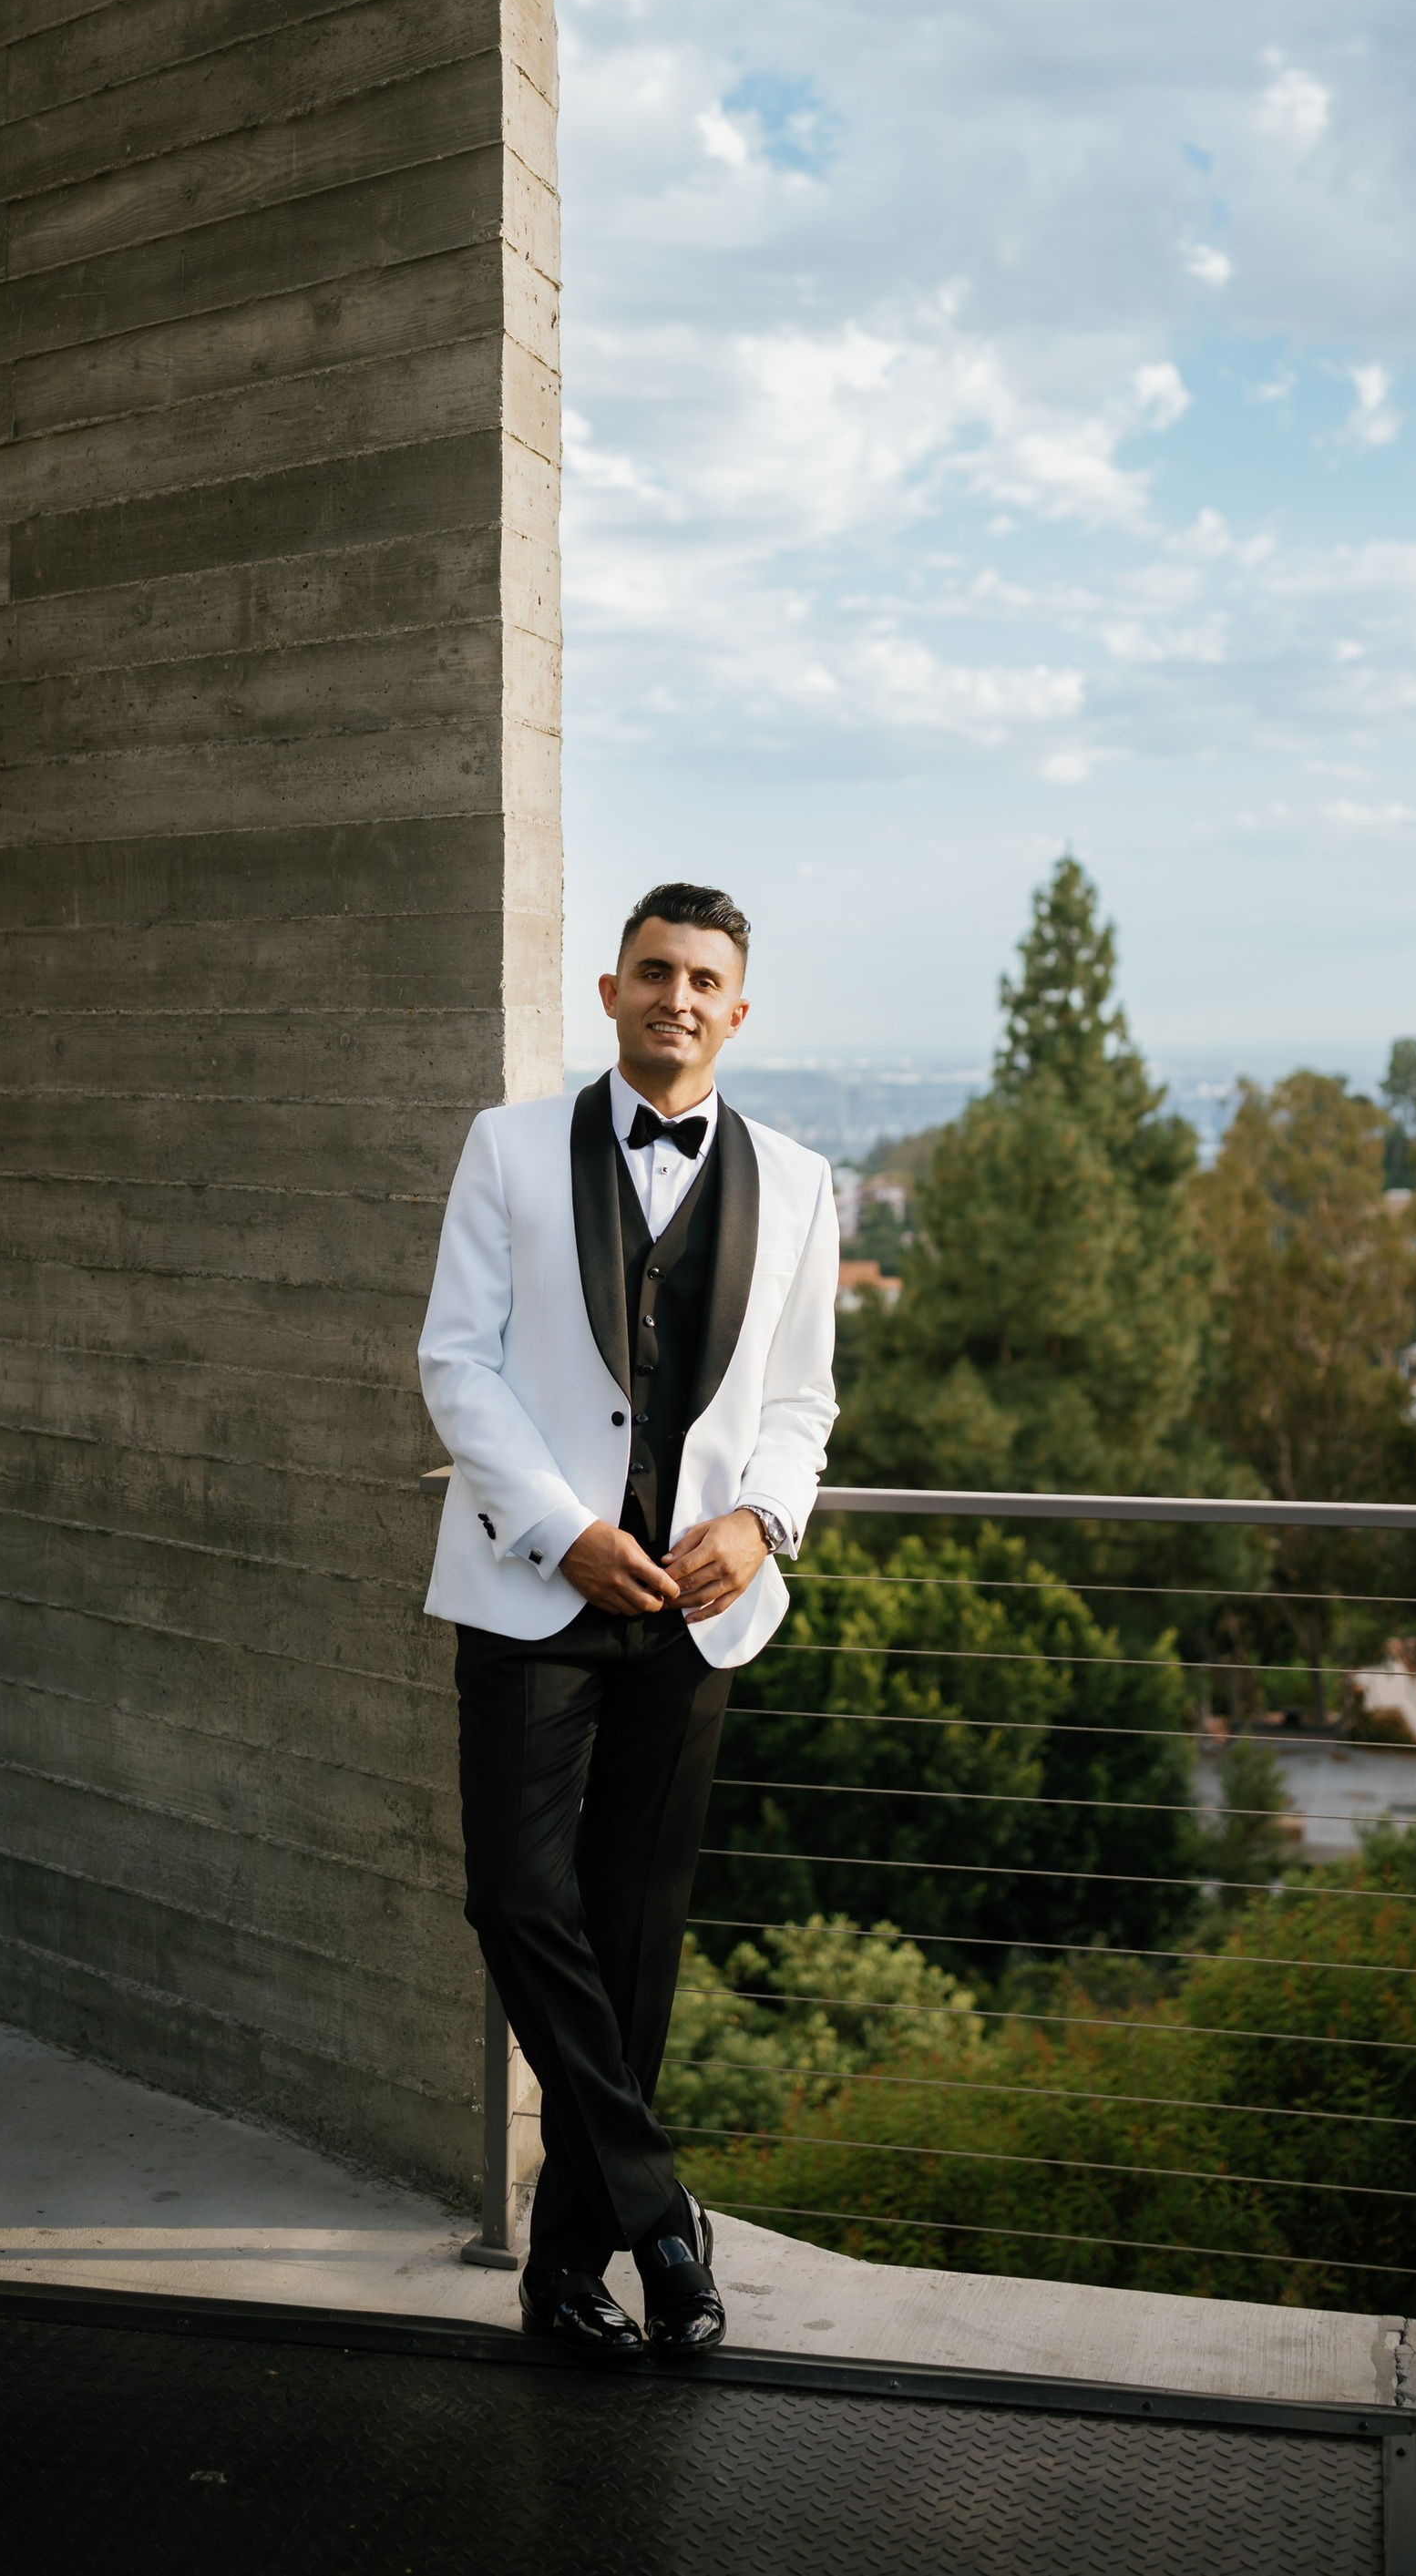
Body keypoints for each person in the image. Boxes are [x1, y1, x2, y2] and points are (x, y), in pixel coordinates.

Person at [418, 881, 840, 2362]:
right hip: (535, 1584)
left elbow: (803, 1400)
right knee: (515, 1896)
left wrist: (761, 1520)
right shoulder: (508, 1146)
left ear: (738, 1010)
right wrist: (566, 1530)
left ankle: (564, 2268)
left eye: (705, 978)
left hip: (697, 1608)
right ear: (610, 991)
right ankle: (663, 2209)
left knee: (636, 1933)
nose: (678, 996)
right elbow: (456, 1362)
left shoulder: (802, 1181)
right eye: (655, 970)